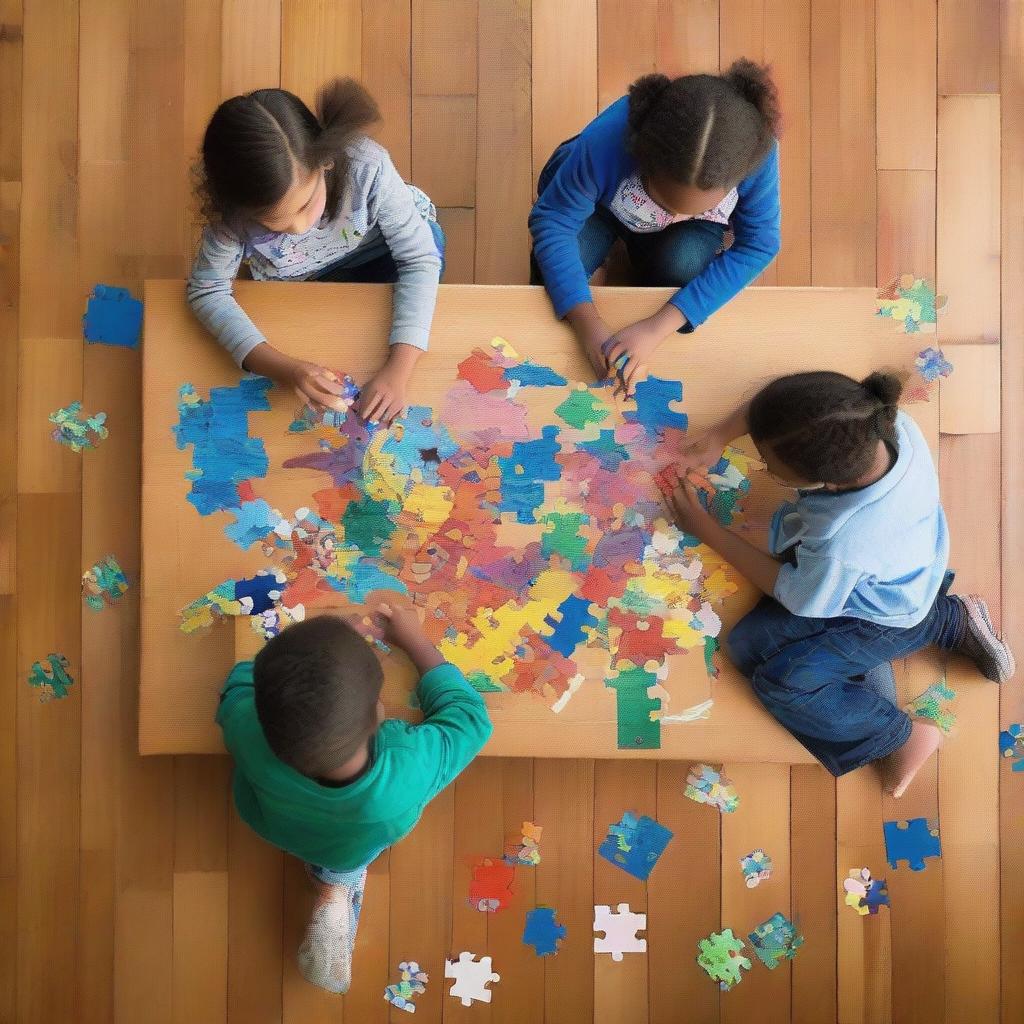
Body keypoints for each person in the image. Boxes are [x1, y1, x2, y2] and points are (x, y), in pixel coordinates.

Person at [669, 370, 1014, 794]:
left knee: (779, 683)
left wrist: (705, 528)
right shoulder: (883, 423)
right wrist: (720, 434)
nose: (762, 464)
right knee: (746, 646)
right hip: (901, 563)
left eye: (771, 468)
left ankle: (903, 734)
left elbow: (798, 598)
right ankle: (947, 619)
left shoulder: (842, 545)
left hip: (883, 614)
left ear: (825, 484)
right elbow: (793, 404)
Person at [216, 603, 492, 993]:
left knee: (325, 836)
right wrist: (415, 640)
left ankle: (331, 887)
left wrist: (308, 655)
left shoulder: (249, 732)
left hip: (273, 821)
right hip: (354, 840)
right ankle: (335, 888)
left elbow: (240, 685)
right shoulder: (403, 768)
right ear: (379, 717)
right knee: (343, 855)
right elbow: (469, 718)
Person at [189, 78, 444, 427]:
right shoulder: (232, 218)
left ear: (325, 162)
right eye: (271, 222)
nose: (298, 228)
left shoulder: (367, 167)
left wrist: (399, 370)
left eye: (307, 204)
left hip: (378, 251)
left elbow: (419, 259)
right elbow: (206, 292)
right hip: (304, 275)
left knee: (432, 245)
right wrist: (287, 370)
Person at [529, 59, 781, 391]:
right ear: (641, 159)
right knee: (553, 265)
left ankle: (648, 265)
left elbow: (759, 245)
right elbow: (554, 220)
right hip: (603, 210)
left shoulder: (755, 157)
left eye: (688, 212)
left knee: (685, 264)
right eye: (664, 204)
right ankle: (606, 258)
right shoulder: (606, 141)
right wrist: (586, 322)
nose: (672, 218)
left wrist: (659, 326)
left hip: (679, 237)